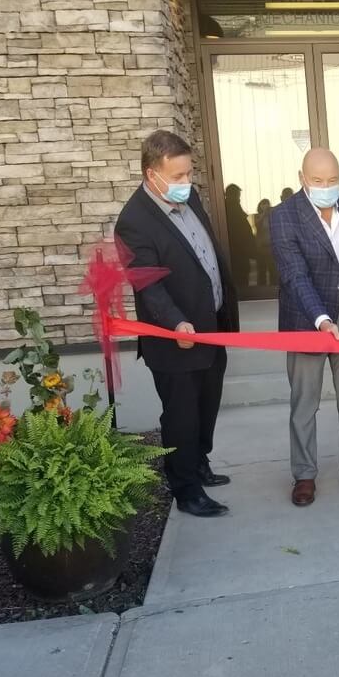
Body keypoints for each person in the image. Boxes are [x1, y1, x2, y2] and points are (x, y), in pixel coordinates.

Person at [115, 130, 239, 518]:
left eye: (189, 174)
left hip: (211, 326)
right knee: (181, 414)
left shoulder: (190, 198)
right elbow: (148, 285)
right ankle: (185, 489)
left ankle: (200, 462)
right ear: (153, 175)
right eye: (179, 176)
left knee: (208, 404)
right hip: (176, 339)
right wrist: (177, 322)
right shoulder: (133, 222)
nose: (188, 183)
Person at [270, 148, 339, 507]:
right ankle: (304, 475)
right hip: (306, 319)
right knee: (304, 402)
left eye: (332, 180)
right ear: (302, 178)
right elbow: (294, 274)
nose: (326, 187)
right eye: (318, 181)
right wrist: (320, 318)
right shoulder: (284, 216)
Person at [224, 184, 256, 291]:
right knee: (240, 278)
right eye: (238, 195)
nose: (239, 197)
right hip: (237, 250)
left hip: (239, 250)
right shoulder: (230, 207)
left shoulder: (232, 206)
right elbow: (241, 230)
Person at [253, 197, 272, 284]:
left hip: (271, 246)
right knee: (261, 270)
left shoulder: (272, 216)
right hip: (261, 247)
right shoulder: (256, 216)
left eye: (267, 203)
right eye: (263, 204)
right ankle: (261, 287)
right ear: (260, 206)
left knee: (273, 269)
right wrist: (264, 214)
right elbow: (257, 225)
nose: (265, 205)